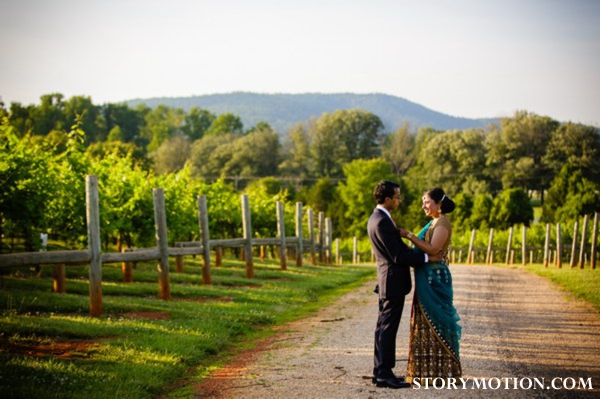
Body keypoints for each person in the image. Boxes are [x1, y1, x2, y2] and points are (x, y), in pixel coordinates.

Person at [367, 180, 442, 389]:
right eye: (398, 197)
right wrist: (428, 259)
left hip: (388, 281)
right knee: (387, 328)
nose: (400, 200)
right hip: (392, 282)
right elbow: (398, 256)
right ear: (388, 198)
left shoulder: (378, 218)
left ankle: (380, 371)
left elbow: (399, 251)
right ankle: (383, 373)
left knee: (382, 327)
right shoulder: (382, 220)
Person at [399, 187, 462, 383]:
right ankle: (426, 371)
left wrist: (408, 234)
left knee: (439, 319)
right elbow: (424, 251)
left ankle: (445, 371)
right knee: (423, 321)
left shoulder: (442, 223)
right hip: (426, 277)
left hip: (436, 278)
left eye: (426, 201)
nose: (423, 205)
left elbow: (434, 249)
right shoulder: (433, 222)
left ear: (439, 203)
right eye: (423, 201)